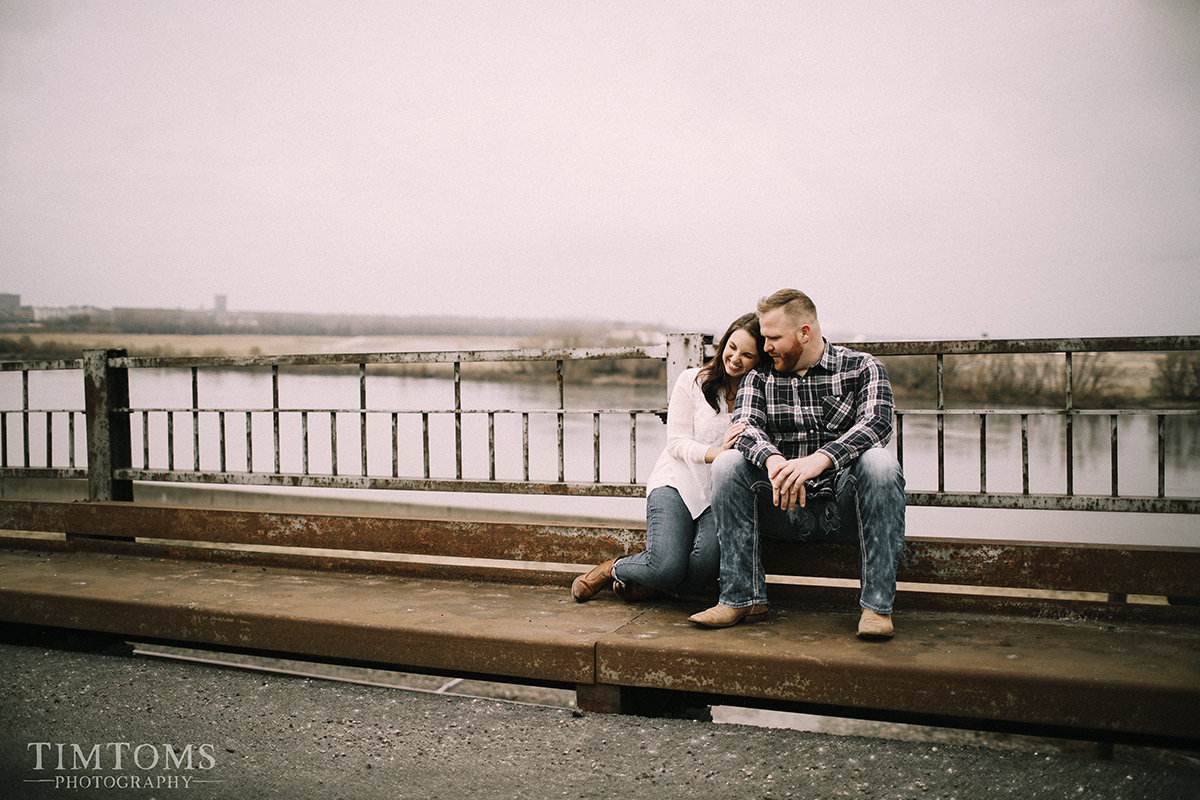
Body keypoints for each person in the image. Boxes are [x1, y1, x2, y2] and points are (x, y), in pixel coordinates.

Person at [689, 289, 906, 640]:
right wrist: (774, 459)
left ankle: (877, 608)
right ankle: (741, 599)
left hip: (844, 506)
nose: (766, 346)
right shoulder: (759, 377)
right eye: (764, 337)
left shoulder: (862, 367)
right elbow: (743, 428)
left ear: (804, 333)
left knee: (881, 462)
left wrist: (818, 461)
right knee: (728, 463)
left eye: (773, 338)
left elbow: (877, 424)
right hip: (783, 505)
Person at [572, 313, 767, 603]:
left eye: (748, 354)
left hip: (718, 494)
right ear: (724, 343)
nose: (735, 358)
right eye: (732, 346)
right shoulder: (691, 381)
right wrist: (719, 453)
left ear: (760, 360)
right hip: (675, 481)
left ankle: (653, 584)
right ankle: (612, 569)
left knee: (704, 567)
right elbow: (676, 444)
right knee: (665, 565)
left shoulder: (758, 397)